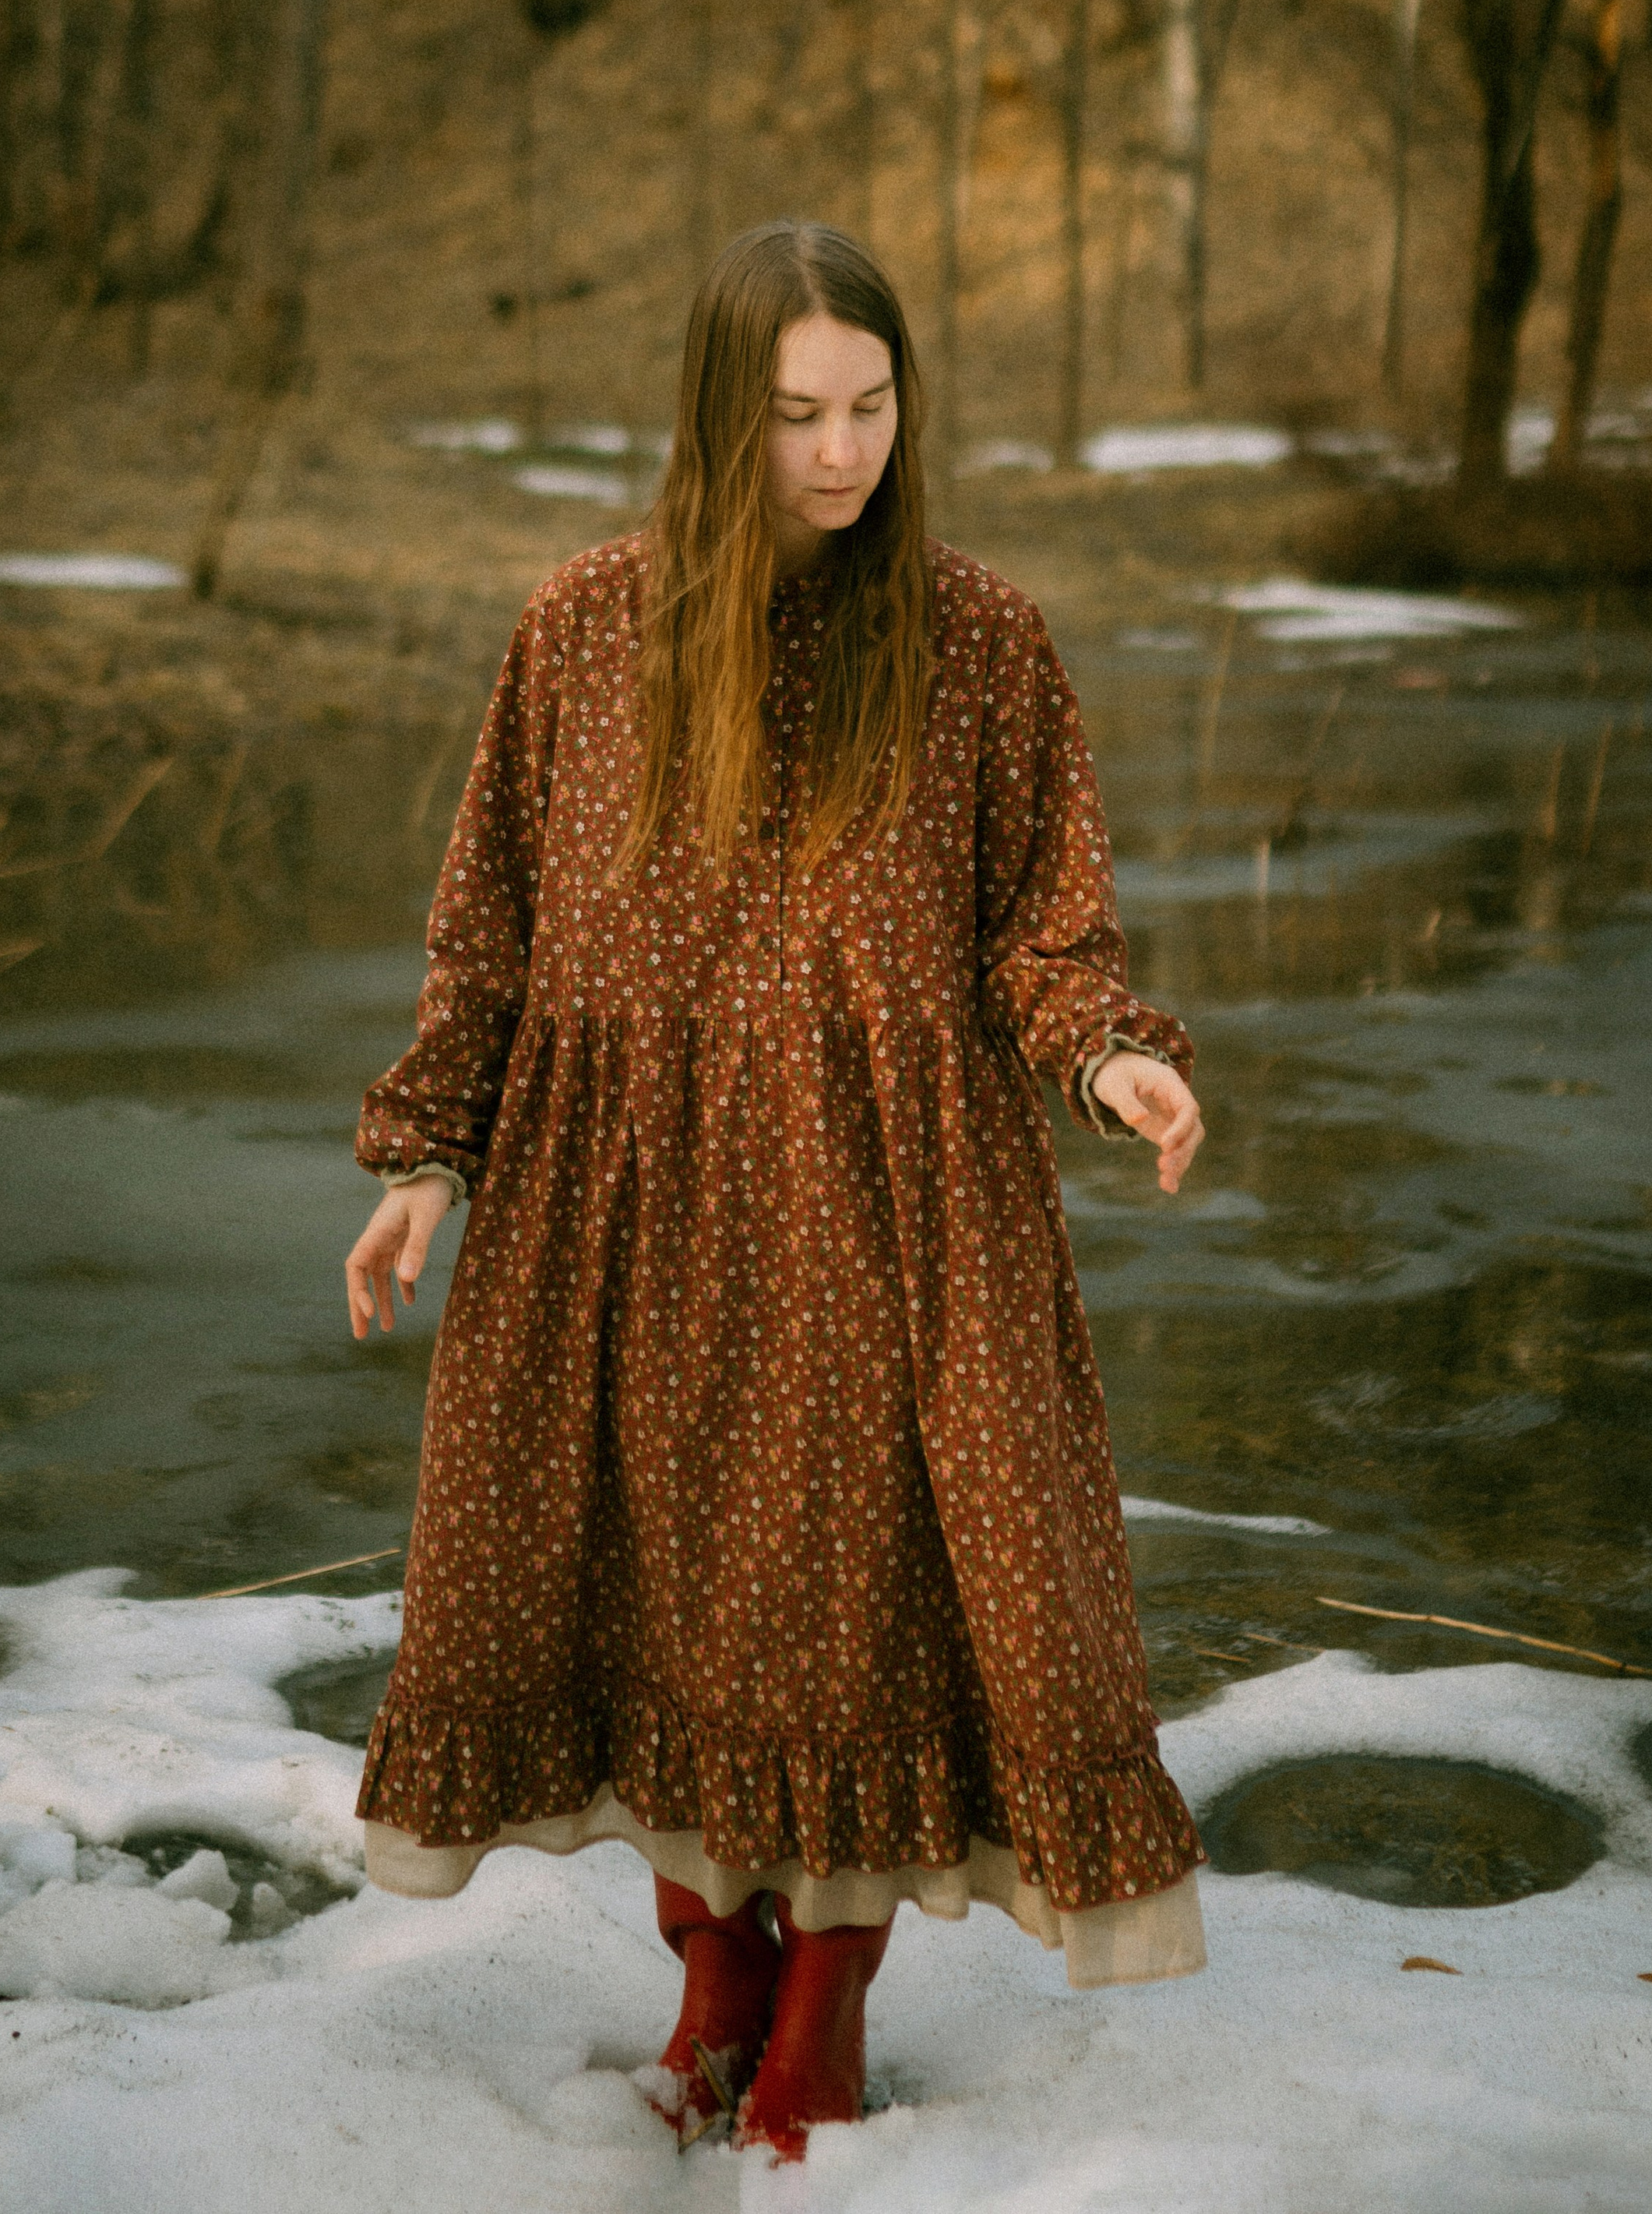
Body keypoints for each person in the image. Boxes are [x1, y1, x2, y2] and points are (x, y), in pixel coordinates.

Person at [343, 220, 1207, 2161]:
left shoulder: (978, 640)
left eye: (872, 405)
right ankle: (710, 1971)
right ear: (717, 419)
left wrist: (1105, 1049)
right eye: (798, 413)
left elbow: (1039, 934)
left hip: (886, 1201)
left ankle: (819, 2006)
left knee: (855, 1609)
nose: (839, 453)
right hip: (625, 1205)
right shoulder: (583, 626)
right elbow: (488, 926)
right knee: (655, 1599)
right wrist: (422, 1153)